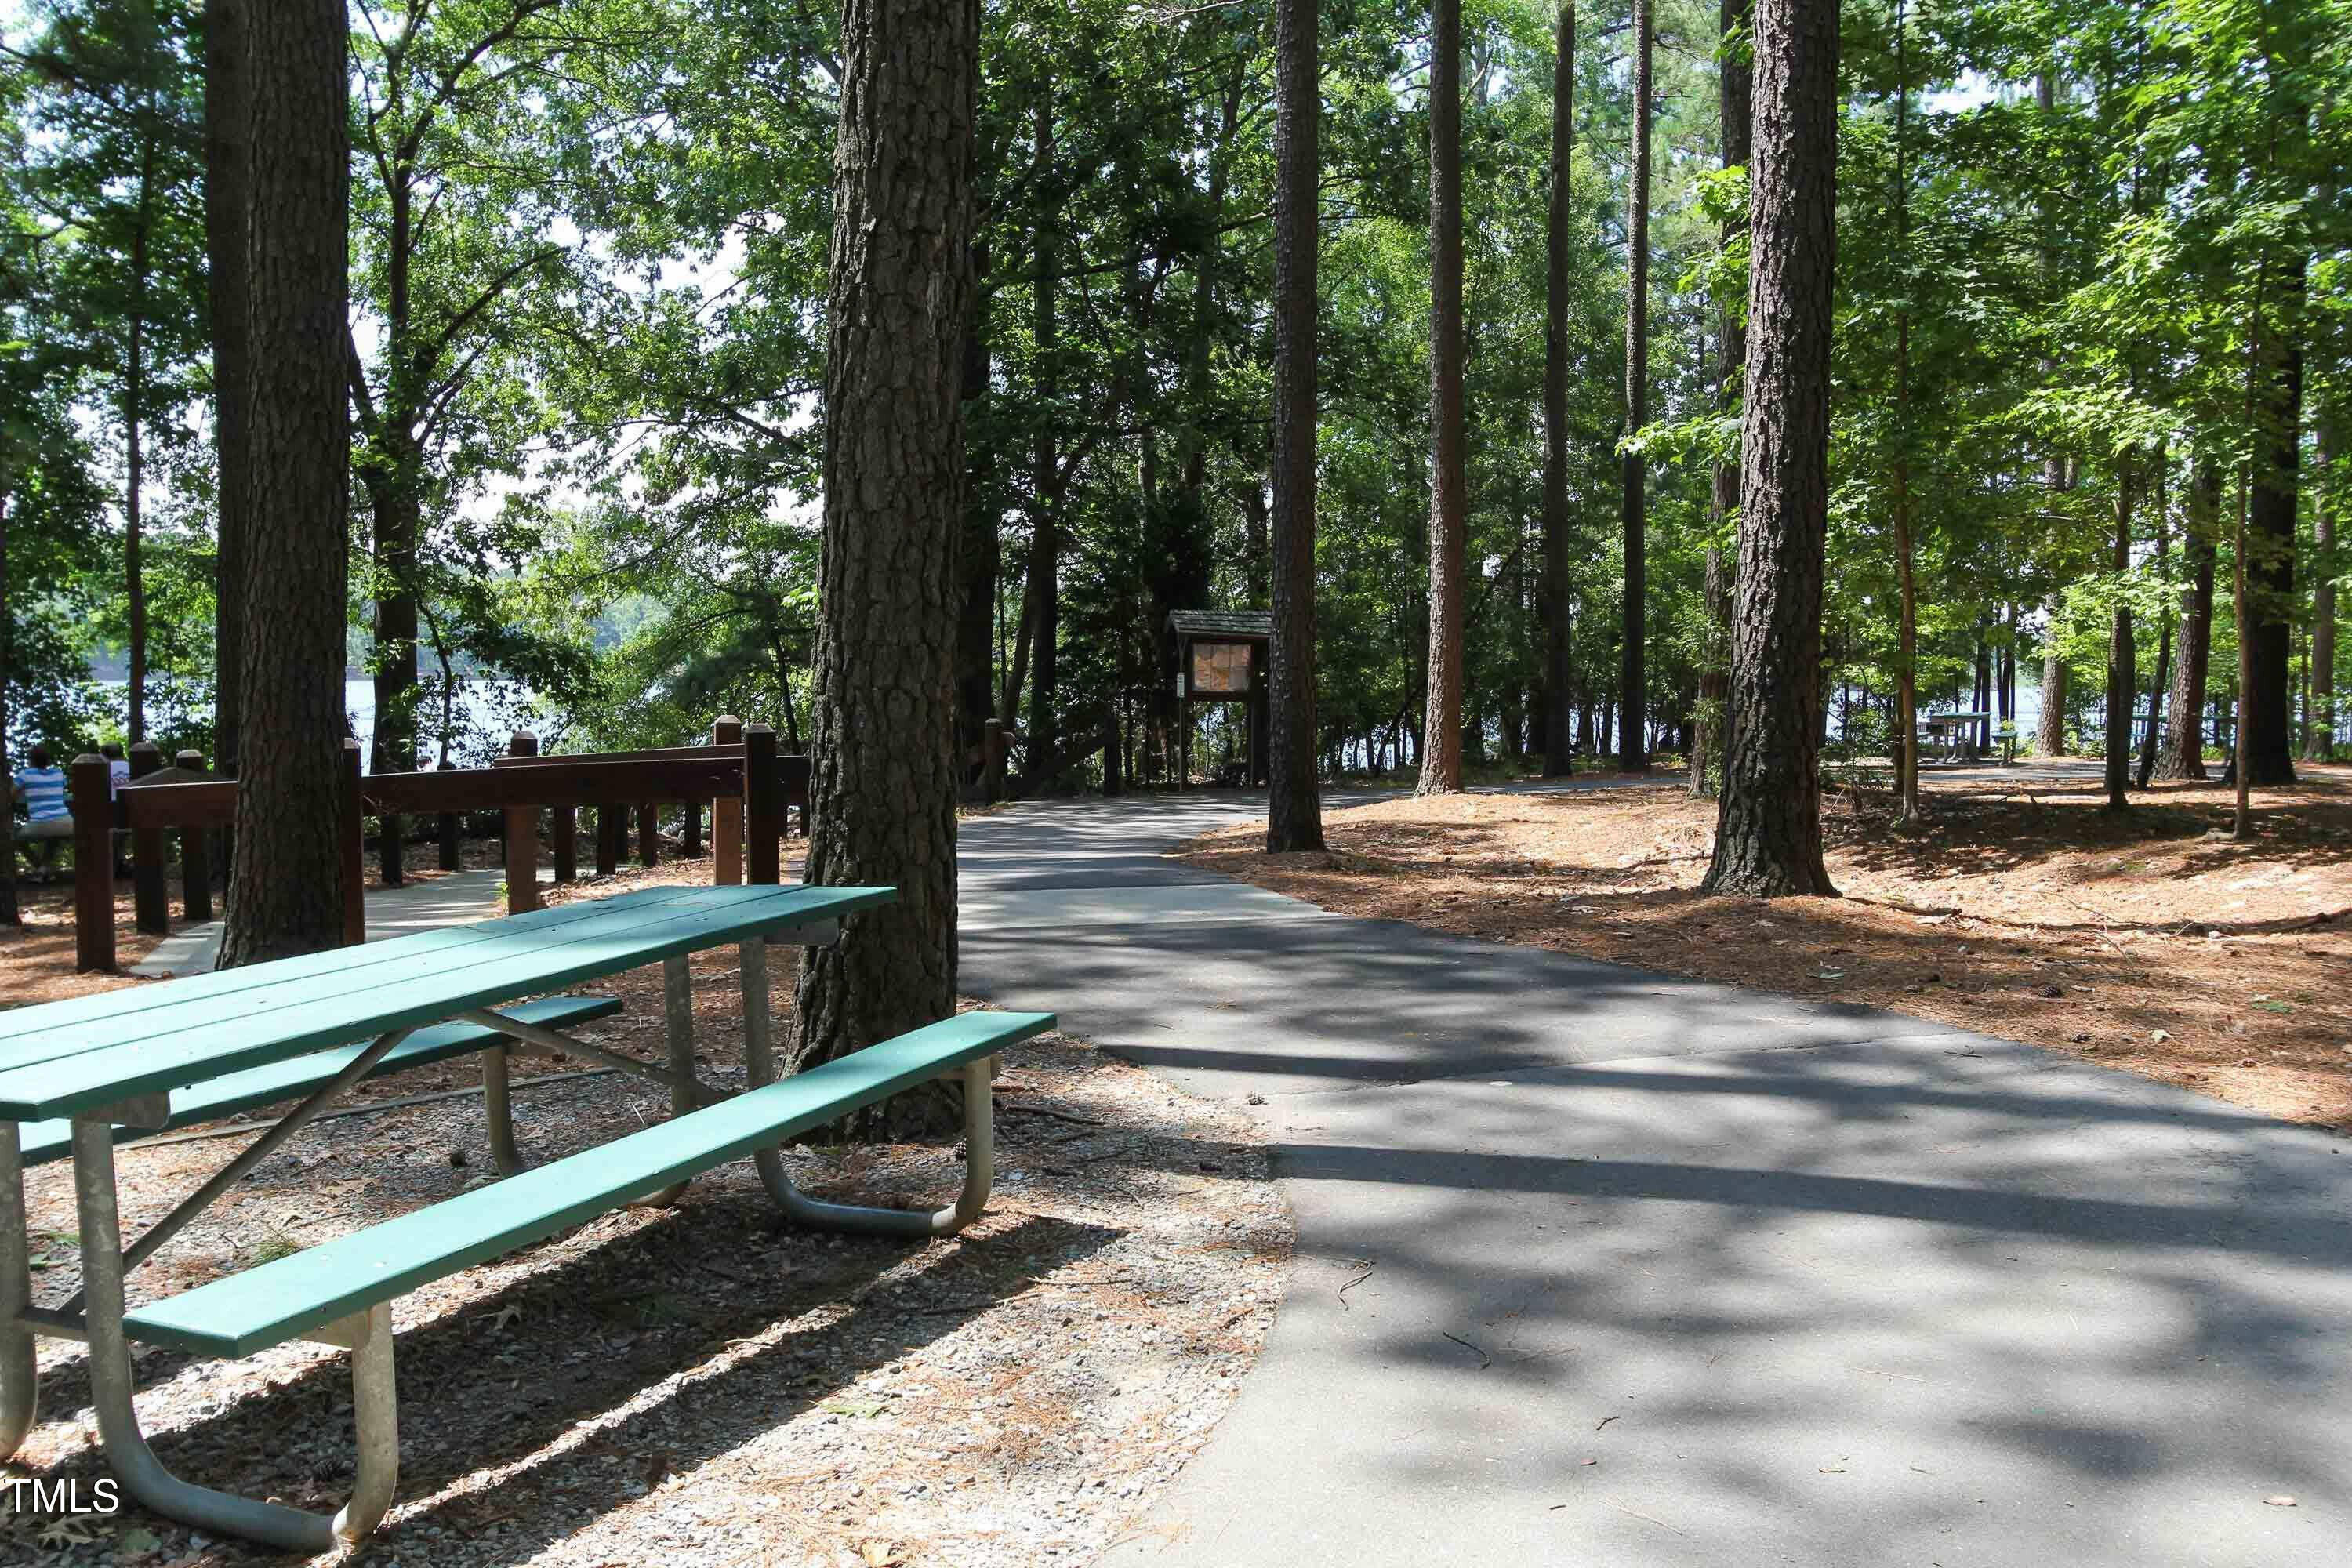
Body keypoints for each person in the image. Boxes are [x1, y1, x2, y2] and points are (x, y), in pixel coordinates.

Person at [11, 744, 74, 881]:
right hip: (67, 823)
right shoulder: (58, 773)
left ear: (30, 760)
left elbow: (11, 796)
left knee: (14, 837)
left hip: (40, 824)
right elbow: (63, 787)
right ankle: (44, 870)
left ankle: (40, 868)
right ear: (48, 760)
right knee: (55, 836)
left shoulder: (25, 775)